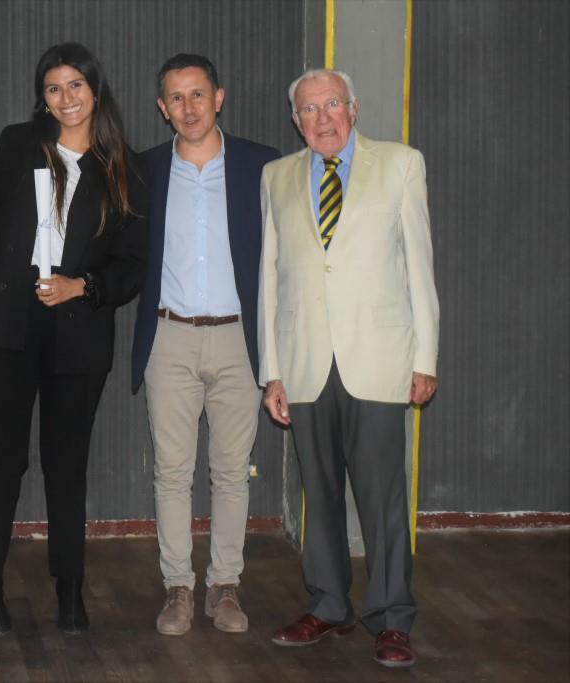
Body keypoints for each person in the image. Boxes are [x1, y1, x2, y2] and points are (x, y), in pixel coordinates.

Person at [258, 68, 439, 668]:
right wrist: (273, 370)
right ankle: (328, 604)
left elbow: (420, 268)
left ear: (354, 109)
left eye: (333, 104)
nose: (323, 118)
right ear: (296, 120)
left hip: (380, 359)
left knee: (383, 498)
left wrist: (425, 357)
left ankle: (391, 617)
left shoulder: (400, 164)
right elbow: (270, 279)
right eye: (309, 110)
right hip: (306, 361)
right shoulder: (276, 177)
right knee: (321, 493)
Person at [0, 42, 147, 635]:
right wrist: (11, 279)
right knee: (1, 461)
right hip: (8, 328)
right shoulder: (18, 144)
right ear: (40, 96)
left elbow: (132, 263)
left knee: (67, 466)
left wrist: (85, 286)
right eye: (53, 87)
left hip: (79, 330)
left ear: (96, 89)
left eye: (76, 85)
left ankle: (70, 589)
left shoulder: (125, 164)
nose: (65, 98)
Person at [130, 54, 280, 637]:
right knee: (171, 472)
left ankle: (224, 585)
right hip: (169, 338)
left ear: (219, 97)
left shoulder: (262, 166)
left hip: (239, 340)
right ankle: (178, 588)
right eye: (176, 98)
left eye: (199, 94)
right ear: (162, 108)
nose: (189, 107)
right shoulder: (144, 171)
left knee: (229, 473)